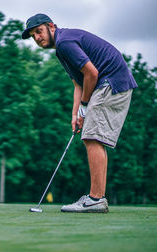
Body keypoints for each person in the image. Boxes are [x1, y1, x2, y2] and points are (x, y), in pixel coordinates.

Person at [22, 14, 137, 213]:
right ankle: (96, 198)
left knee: (92, 137)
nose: (37, 38)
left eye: (39, 31)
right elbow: (79, 83)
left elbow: (92, 73)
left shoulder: (65, 42)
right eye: (33, 36)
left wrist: (85, 105)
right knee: (93, 138)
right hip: (110, 82)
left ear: (51, 26)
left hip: (111, 81)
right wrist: (76, 114)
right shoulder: (62, 49)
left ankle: (95, 199)